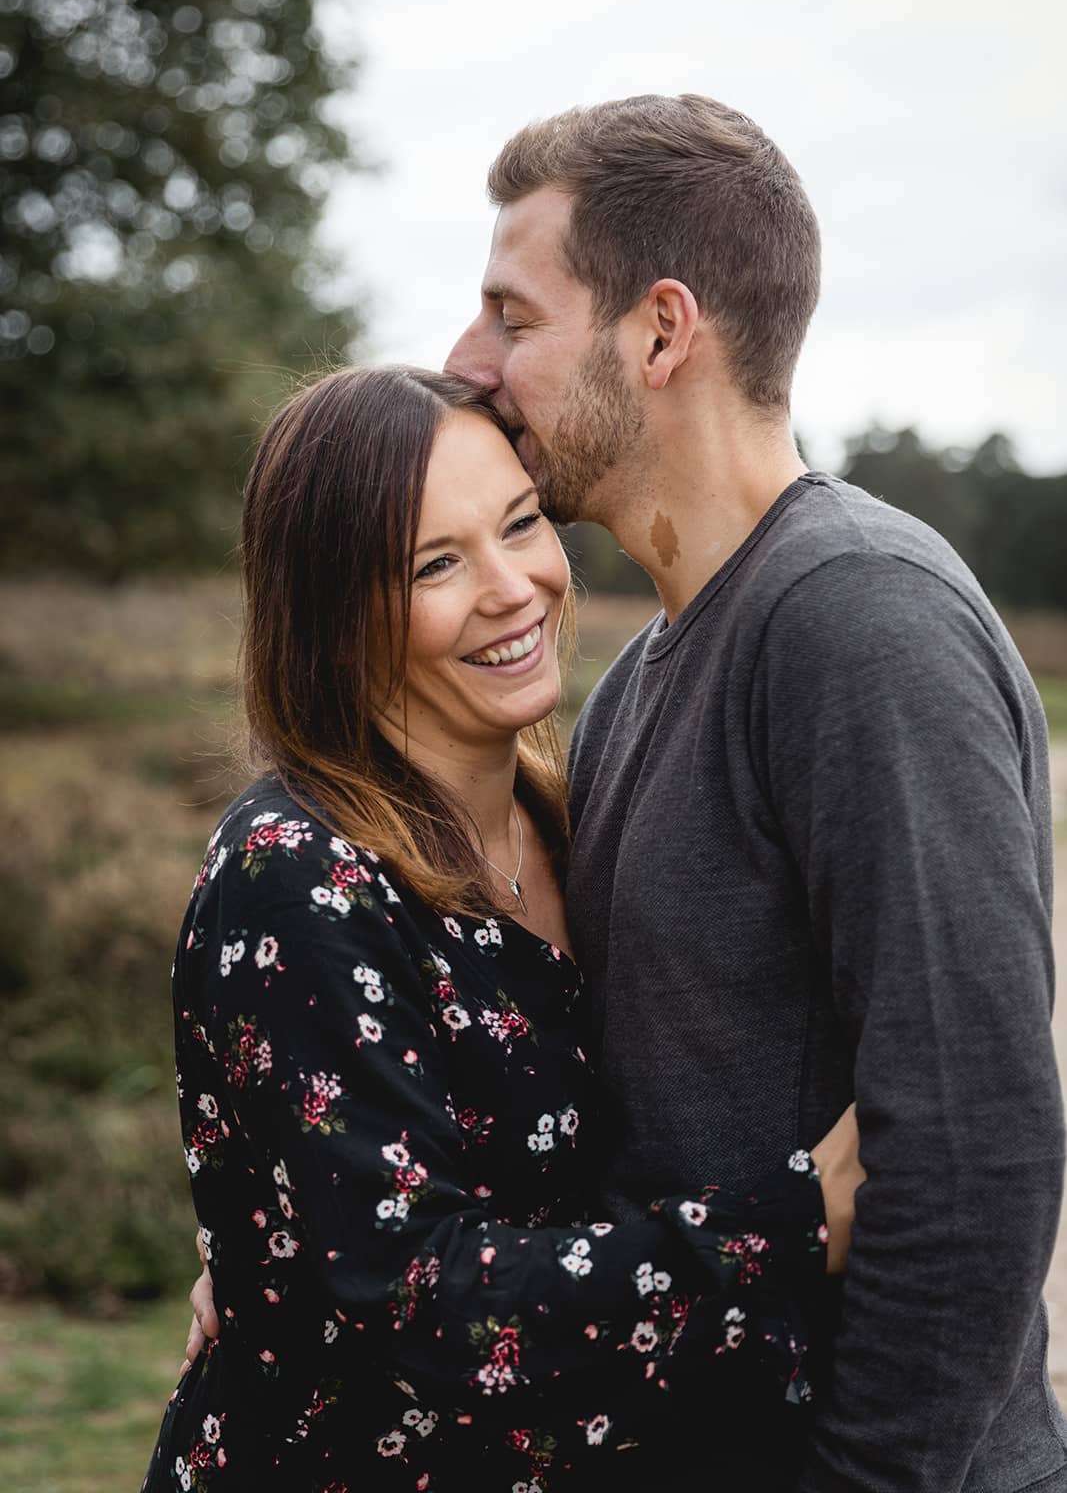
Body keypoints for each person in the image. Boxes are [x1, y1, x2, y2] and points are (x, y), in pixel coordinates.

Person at [436, 94, 1066, 1491]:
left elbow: (971, 1152)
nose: (465, 362)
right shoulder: (650, 665)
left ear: (658, 332)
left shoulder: (853, 621)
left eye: (512, 318)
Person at [145, 363, 863, 1492]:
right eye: (434, 563)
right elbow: (421, 1301)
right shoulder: (297, 877)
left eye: (519, 523)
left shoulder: (567, 816)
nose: (512, 586)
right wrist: (790, 1224)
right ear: (333, 615)